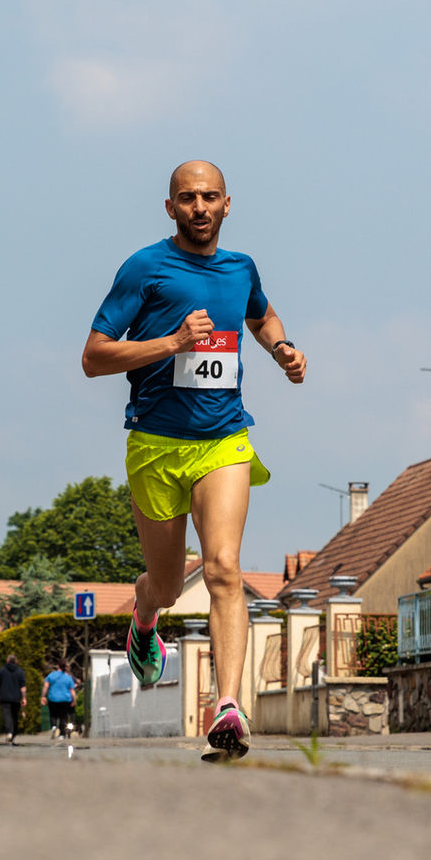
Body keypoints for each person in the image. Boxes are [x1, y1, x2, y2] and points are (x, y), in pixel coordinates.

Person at [82, 159, 306, 762]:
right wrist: (173, 343)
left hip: (224, 438)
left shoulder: (241, 268)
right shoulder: (145, 268)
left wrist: (282, 347)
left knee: (223, 569)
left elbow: (260, 315)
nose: (199, 208)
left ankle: (227, 706)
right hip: (155, 443)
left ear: (228, 204)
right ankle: (145, 616)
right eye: (187, 198)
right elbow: (94, 356)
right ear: (170, 208)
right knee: (163, 579)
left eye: (210, 197)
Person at [0, 653, 27, 745]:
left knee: (7, 716)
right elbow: (23, 687)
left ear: (7, 661)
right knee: (15, 717)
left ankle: (9, 733)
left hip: (4, 698)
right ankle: (13, 734)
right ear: (16, 662)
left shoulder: (1, 671)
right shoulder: (20, 672)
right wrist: (24, 698)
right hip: (16, 698)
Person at [41, 659, 76, 740]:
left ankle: (53, 726)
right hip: (65, 699)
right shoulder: (68, 677)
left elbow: (46, 686)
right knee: (63, 717)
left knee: (53, 715)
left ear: (57, 666)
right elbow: (72, 691)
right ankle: (62, 734)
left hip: (53, 698)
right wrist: (74, 700)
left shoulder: (51, 675)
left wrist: (43, 696)